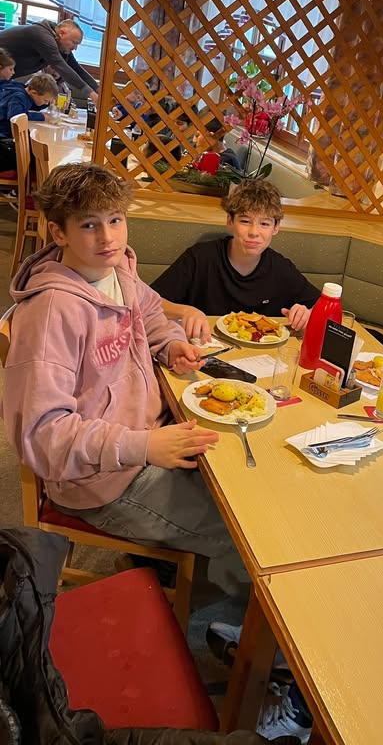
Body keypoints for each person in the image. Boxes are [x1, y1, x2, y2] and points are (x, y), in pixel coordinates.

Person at [1, 163, 248, 593]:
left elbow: (151, 315)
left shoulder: (117, 272)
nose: (108, 238)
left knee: (246, 489)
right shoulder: (52, 312)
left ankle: (172, 564)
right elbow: (42, 435)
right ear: (58, 232)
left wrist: (170, 344)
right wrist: (144, 446)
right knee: (244, 537)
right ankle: (229, 624)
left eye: (115, 220)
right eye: (89, 225)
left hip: (149, 437)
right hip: (103, 481)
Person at [152, 178, 320, 341]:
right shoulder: (200, 257)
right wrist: (185, 311)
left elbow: (323, 308)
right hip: (204, 346)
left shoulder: (280, 268)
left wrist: (307, 314)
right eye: (245, 221)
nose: (254, 232)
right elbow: (149, 301)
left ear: (276, 228)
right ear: (230, 221)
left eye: (264, 224)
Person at [0, 19, 99, 103]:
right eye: (74, 42)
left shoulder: (58, 43)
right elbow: (60, 65)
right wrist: (90, 93)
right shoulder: (42, 36)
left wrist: (98, 89)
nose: (75, 48)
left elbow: (76, 68)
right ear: (61, 33)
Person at [0, 72, 58, 172]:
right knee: (35, 153)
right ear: (34, 93)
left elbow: (33, 105)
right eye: (45, 100)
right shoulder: (19, 97)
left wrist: (46, 104)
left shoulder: (24, 91)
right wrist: (41, 116)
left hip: (5, 136)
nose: (46, 103)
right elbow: (15, 116)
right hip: (3, 137)